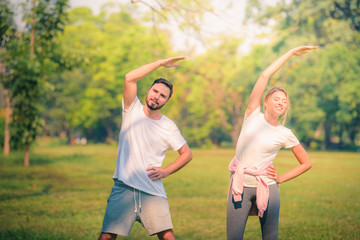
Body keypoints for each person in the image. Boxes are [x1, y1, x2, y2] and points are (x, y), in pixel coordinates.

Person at [227, 46, 317, 240]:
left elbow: (306, 163)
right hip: (240, 185)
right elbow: (264, 76)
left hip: (267, 186)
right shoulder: (252, 114)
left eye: (284, 102)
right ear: (266, 101)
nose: (281, 103)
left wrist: (281, 178)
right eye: (276, 99)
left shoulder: (285, 133)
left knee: (270, 237)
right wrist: (291, 53)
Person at [98, 56, 193, 240]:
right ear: (148, 90)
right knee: (107, 237)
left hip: (152, 190)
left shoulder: (168, 126)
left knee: (167, 237)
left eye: (162, 96)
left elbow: (187, 154)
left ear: (166, 101)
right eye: (155, 91)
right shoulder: (131, 109)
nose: (157, 96)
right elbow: (129, 78)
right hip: (123, 186)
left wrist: (166, 171)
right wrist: (159, 63)